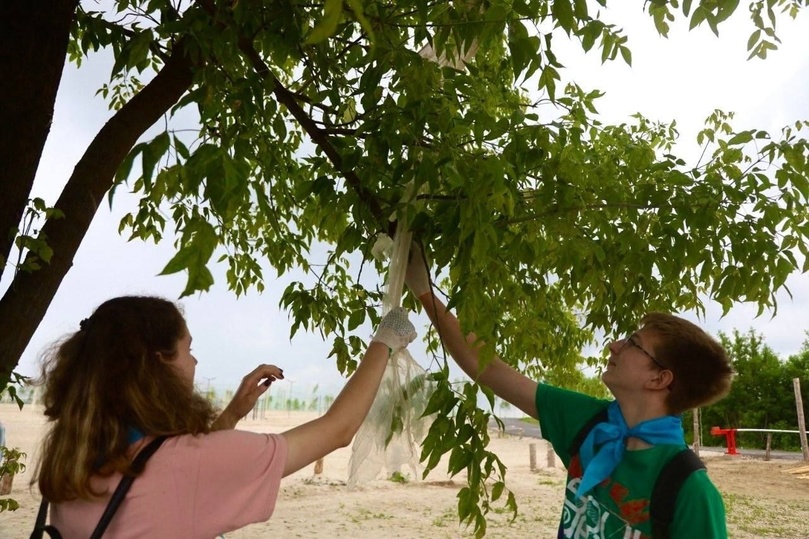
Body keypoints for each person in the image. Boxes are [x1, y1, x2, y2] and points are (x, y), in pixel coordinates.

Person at [404, 244, 733, 538]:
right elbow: (489, 368)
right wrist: (424, 290)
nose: (616, 345)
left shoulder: (689, 489)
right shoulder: (590, 424)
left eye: (634, 343)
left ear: (659, 379)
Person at [33, 295, 416, 537]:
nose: (195, 361)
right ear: (158, 364)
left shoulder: (74, 455)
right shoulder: (189, 464)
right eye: (187, 349)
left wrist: (232, 413)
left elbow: (170, 477)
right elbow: (338, 429)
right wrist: (386, 339)